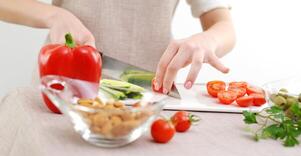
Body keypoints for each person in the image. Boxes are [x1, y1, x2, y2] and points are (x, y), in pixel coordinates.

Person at [0, 0, 235, 94]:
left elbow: (224, 26)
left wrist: (208, 41)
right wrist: (53, 15)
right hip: (63, 91)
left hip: (146, 96)